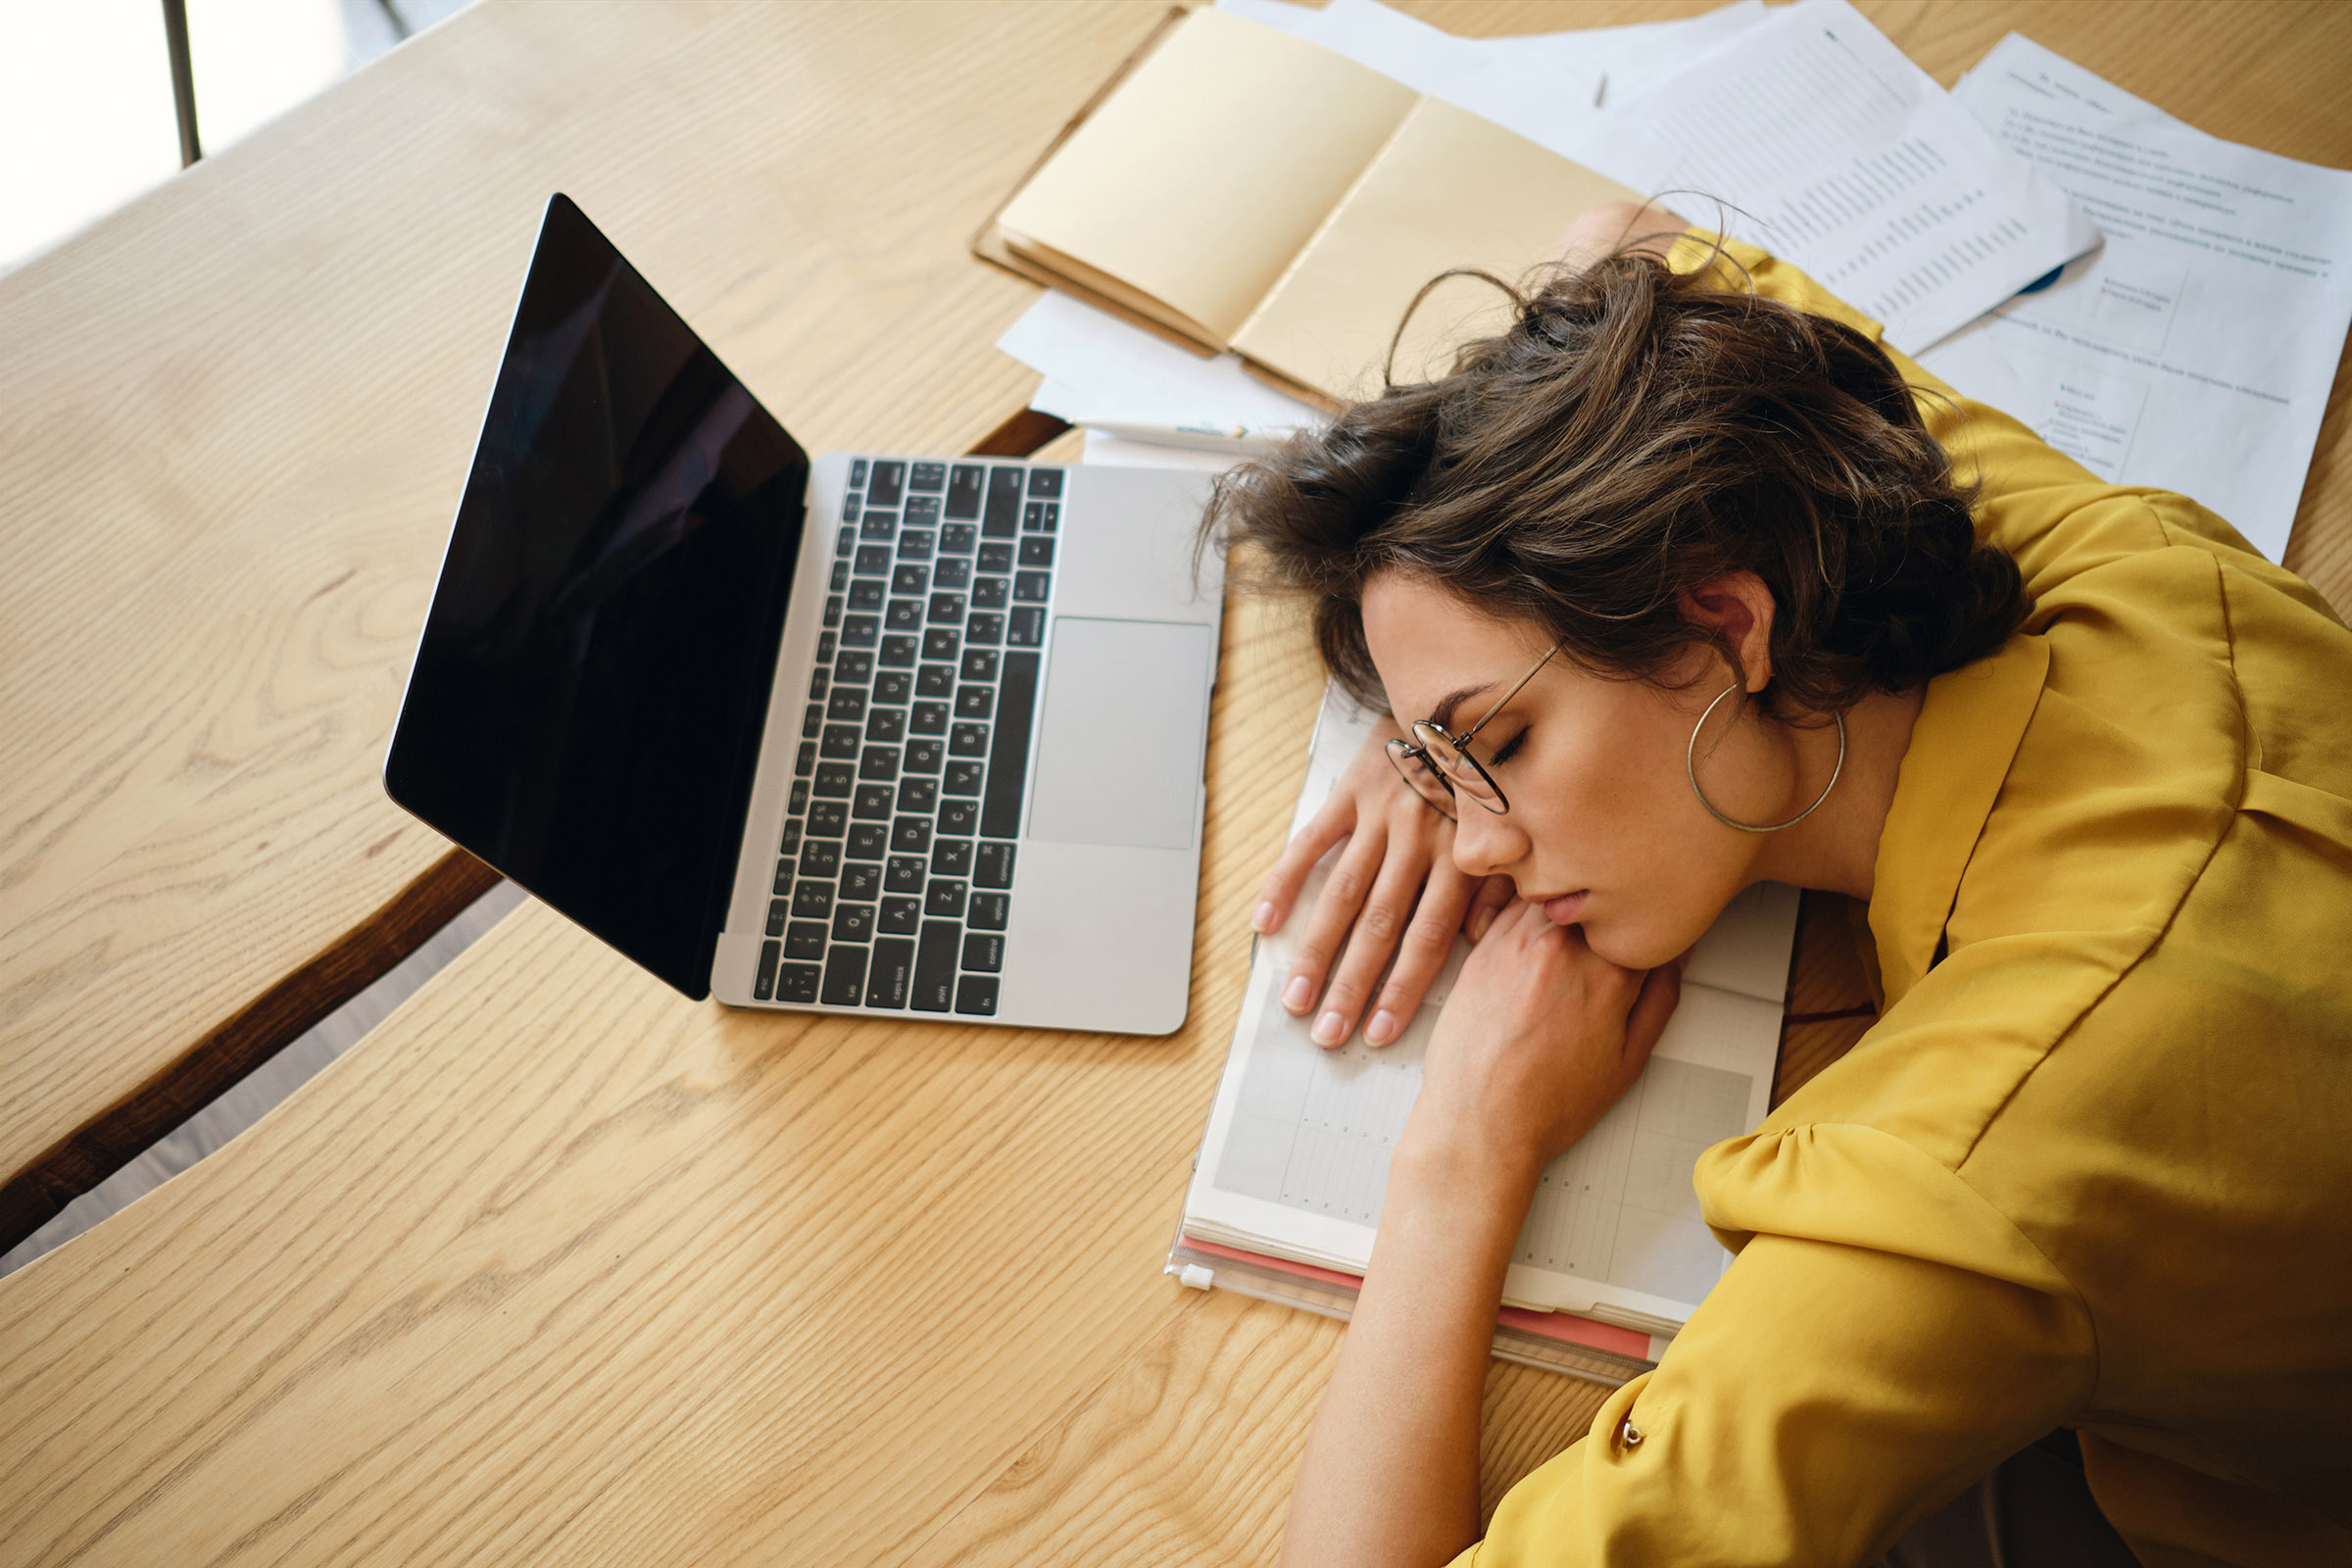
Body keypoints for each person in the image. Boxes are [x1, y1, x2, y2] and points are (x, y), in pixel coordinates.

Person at [1204, 202, 2352, 1568]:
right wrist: (1448, 656)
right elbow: (1633, 237)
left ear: (1728, 621)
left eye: (1505, 743)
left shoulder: (1958, 1171)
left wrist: (1463, 1153)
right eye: (1449, 770)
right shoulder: (2113, 569)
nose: (1476, 847)